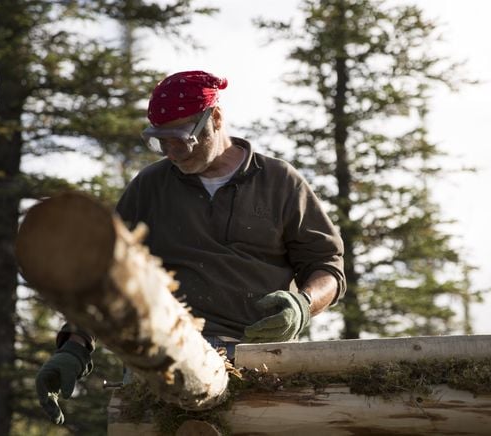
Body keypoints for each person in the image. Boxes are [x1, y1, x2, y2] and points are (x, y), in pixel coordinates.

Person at [34, 70, 346, 424]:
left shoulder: (279, 181)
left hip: (263, 364)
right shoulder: (150, 187)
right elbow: (104, 274)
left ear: (215, 118)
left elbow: (327, 266)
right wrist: (74, 347)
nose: (172, 152)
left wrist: (302, 305)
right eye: (160, 141)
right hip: (163, 363)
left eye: (181, 138)